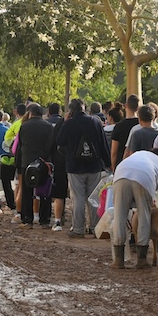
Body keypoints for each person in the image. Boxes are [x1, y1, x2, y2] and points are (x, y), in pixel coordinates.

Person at [110, 149, 158, 269]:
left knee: (119, 217)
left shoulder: (139, 155)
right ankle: (141, 260)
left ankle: (118, 260)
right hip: (144, 177)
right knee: (144, 216)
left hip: (120, 173)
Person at [56, 98, 110, 238]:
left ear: (71, 110)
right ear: (85, 108)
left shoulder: (70, 124)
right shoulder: (95, 121)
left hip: (75, 167)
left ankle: (78, 229)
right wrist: (108, 163)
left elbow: (59, 141)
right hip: (94, 166)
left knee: (78, 198)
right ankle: (95, 228)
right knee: (93, 198)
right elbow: (103, 144)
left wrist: (65, 121)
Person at [16, 104, 56, 228]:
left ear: (30, 114)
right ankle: (45, 220)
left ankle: (27, 219)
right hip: (43, 162)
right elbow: (51, 145)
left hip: (27, 161)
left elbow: (20, 146)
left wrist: (18, 164)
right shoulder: (49, 127)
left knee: (27, 192)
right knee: (44, 192)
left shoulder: (24, 126)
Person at [110, 94, 140, 171]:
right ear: (138, 108)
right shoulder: (140, 124)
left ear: (126, 105)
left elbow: (114, 151)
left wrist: (114, 168)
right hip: (139, 163)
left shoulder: (119, 126)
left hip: (122, 165)